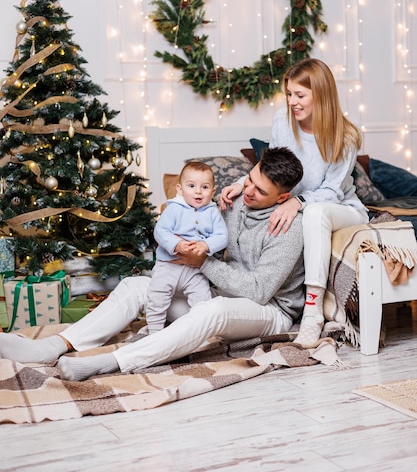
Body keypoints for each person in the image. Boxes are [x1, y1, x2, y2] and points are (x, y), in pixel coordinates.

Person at [0, 147, 305, 381]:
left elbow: (259, 291)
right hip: (222, 294)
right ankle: (53, 346)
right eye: (249, 180)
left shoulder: (289, 228)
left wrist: (202, 262)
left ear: (283, 197)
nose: (248, 191)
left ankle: (114, 361)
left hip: (270, 310)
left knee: (213, 310)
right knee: (137, 286)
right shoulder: (237, 199)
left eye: (260, 191)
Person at [221, 58, 369, 348]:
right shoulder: (282, 120)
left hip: (341, 207)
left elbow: (332, 191)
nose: (292, 102)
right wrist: (240, 184)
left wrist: (298, 202)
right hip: (298, 201)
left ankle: (312, 312)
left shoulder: (346, 136)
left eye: (299, 95)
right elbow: (272, 169)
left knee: (313, 213)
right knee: (293, 210)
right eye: (289, 94)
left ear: (321, 95)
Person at [146, 160, 228, 334]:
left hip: (195, 270)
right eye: (191, 186)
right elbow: (160, 231)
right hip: (170, 265)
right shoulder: (173, 208)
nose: (198, 191)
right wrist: (177, 244)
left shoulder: (213, 211)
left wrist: (205, 244)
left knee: (203, 301)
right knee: (157, 297)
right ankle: (154, 332)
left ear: (213, 191)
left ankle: (201, 334)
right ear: (180, 189)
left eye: (205, 187)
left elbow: (222, 236)